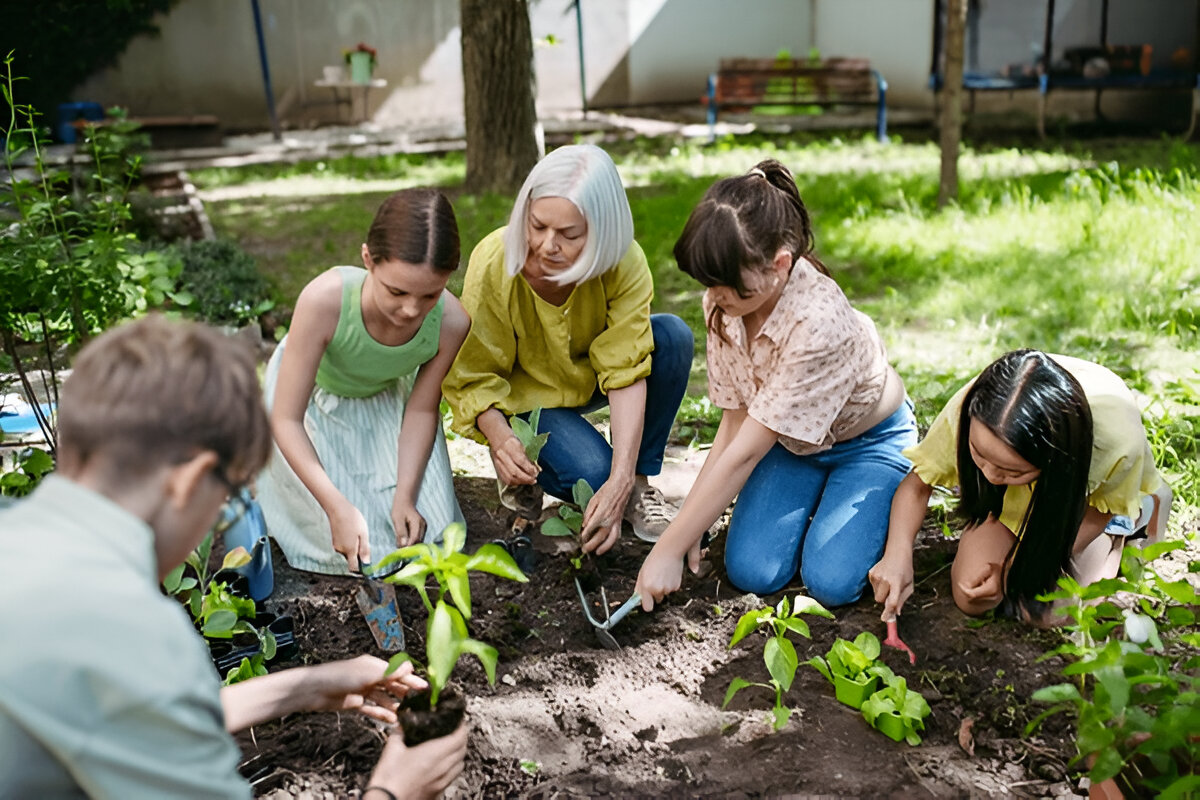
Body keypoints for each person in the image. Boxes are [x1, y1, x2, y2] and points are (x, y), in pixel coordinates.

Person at [0, 315, 466, 800]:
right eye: (225, 503)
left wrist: (305, 687)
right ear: (189, 480)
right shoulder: (135, 634)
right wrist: (394, 790)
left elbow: (123, 713)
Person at [635, 160, 917, 611]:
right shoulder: (725, 303)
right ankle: (817, 504)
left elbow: (746, 451)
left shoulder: (818, 324)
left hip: (866, 442)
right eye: (709, 284)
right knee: (753, 572)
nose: (716, 297)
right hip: (790, 443)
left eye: (727, 287)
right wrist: (692, 528)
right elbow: (733, 425)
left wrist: (667, 547)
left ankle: (866, 489)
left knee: (832, 581)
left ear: (779, 265)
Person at [442, 144, 694, 553]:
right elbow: (472, 374)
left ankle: (639, 489)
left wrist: (623, 479)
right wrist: (503, 438)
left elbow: (627, 368)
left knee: (671, 337)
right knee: (592, 479)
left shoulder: (623, 262)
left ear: (602, 231)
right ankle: (570, 471)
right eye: (537, 226)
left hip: (593, 378)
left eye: (569, 234)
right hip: (529, 399)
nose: (546, 245)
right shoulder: (495, 262)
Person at [868, 349, 1172, 623]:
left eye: (1009, 470)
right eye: (979, 455)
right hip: (1016, 499)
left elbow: (1097, 512)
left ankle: (1132, 520)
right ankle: (1018, 504)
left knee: (1047, 613)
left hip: (1085, 502)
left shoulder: (1114, 446)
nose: (988, 475)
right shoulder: (973, 410)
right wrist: (897, 554)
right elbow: (918, 485)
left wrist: (1013, 569)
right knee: (971, 598)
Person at [257, 188, 469, 574]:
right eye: (397, 290)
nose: (410, 310)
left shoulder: (452, 323)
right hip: (312, 405)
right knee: (344, 542)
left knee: (427, 531)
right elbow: (285, 418)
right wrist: (335, 505)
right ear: (368, 259)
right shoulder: (325, 301)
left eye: (429, 295)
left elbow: (422, 410)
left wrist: (405, 495)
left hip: (387, 399)